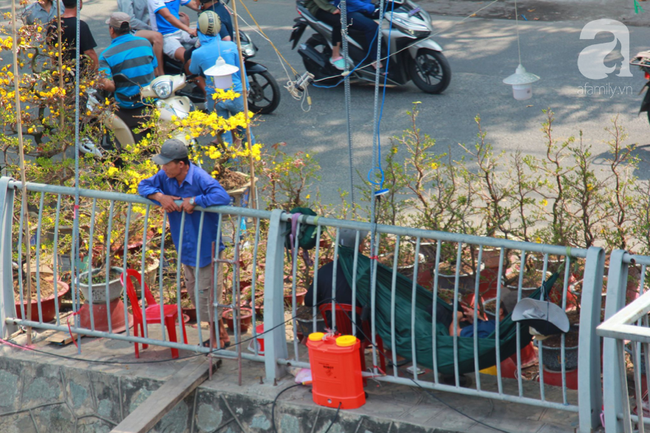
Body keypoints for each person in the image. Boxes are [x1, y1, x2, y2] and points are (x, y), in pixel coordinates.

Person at [138, 139, 232, 348]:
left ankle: (217, 341)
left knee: (207, 296)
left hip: (207, 248)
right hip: (186, 247)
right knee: (195, 294)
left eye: (166, 163)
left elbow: (223, 196)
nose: (162, 168)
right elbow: (143, 185)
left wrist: (196, 200)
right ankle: (222, 336)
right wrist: (160, 196)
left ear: (181, 164)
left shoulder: (199, 177)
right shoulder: (165, 176)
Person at [189, 10, 251, 146]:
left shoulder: (197, 53)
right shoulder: (231, 46)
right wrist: (246, 88)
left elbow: (193, 70)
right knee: (244, 131)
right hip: (236, 93)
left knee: (224, 136)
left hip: (215, 97)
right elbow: (242, 70)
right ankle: (253, 161)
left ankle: (230, 165)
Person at [98, 12, 157, 147]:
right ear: (129, 28)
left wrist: (109, 83)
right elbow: (154, 68)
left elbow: (108, 85)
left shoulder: (106, 55)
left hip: (127, 107)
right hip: (151, 102)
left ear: (112, 30)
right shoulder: (145, 43)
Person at [46, 0, 98, 72]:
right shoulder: (81, 26)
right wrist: (95, 74)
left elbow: (51, 52)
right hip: (80, 75)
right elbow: (90, 53)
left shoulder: (53, 25)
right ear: (79, 3)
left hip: (60, 74)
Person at [117, 0, 165, 76]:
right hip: (132, 30)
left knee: (181, 20)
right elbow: (130, 21)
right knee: (157, 37)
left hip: (148, 26)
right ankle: (159, 73)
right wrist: (150, 28)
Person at [449, 291, 518, 338]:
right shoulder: (515, 328)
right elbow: (490, 328)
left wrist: (456, 318)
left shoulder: (486, 328)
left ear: (500, 311)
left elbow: (454, 334)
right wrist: (478, 318)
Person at [304, 0, 345, 70]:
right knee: (340, 22)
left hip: (335, 4)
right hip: (318, 7)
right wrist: (331, 9)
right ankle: (335, 55)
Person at [345, 0, 381, 70]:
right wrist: (371, 7)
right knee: (372, 27)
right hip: (348, 10)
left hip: (364, 6)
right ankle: (375, 60)